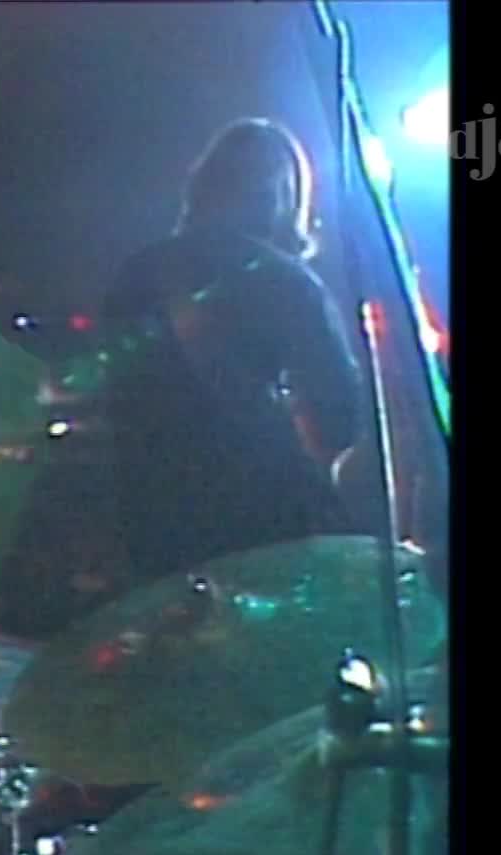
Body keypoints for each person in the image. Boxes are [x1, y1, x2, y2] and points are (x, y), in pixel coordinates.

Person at [95, 117, 368, 586]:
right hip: (262, 521)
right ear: (284, 197)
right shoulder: (286, 280)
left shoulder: (139, 273)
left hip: (153, 520)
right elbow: (339, 418)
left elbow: (111, 394)